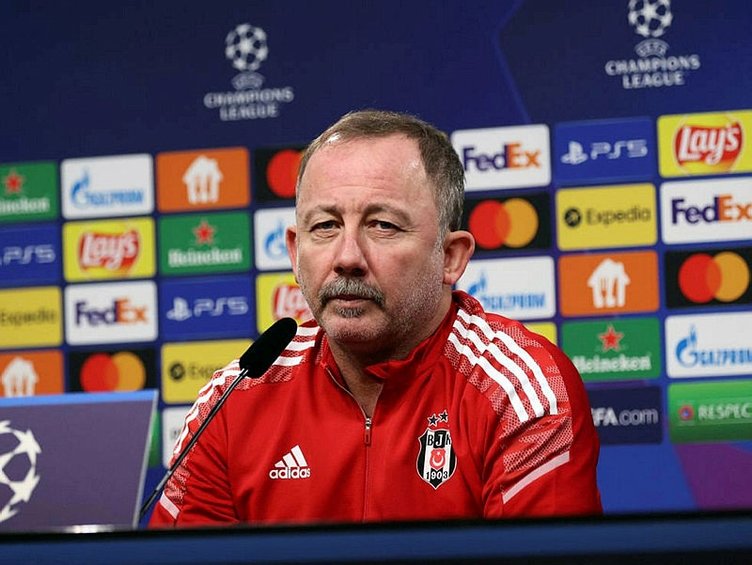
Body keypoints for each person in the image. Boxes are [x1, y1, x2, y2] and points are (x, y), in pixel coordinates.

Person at [149, 109, 601, 527]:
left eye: (383, 225)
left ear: (450, 257)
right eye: (325, 226)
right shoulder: (234, 401)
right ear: (294, 251)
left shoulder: (518, 394)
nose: (347, 257)